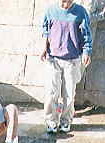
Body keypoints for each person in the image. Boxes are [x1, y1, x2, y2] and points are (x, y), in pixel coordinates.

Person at [42, 0, 92, 133]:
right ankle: (51, 121)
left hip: (72, 59)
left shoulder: (80, 12)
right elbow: (46, 30)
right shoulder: (50, 10)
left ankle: (65, 120)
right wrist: (43, 48)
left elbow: (86, 34)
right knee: (52, 92)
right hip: (53, 58)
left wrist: (87, 52)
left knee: (69, 93)